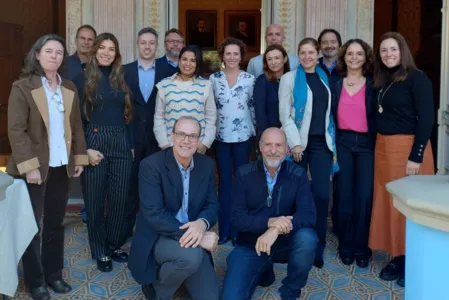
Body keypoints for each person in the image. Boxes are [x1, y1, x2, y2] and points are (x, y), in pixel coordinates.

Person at [7, 34, 88, 300]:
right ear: (37, 54)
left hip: (60, 166)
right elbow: (16, 130)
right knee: (32, 226)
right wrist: (29, 166)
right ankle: (35, 280)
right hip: (34, 168)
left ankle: (54, 275)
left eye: (59, 52)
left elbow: (76, 125)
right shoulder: (22, 86)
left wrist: (79, 157)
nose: (54, 56)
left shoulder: (69, 87)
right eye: (49, 51)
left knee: (55, 223)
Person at [369, 32, 435, 288]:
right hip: (384, 149)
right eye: (383, 50)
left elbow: (427, 119)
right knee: (390, 206)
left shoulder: (417, 78)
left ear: (402, 50)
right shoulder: (382, 80)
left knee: (410, 207)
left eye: (392, 49)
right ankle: (397, 256)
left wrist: (416, 155)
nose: (388, 54)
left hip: (408, 151)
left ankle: (412, 259)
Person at [128, 116, 220, 300]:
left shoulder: (206, 165)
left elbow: (212, 205)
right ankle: (159, 290)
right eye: (181, 134)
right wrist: (198, 238)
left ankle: (179, 275)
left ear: (198, 140)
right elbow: (154, 214)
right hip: (159, 235)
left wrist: (202, 224)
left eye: (193, 136)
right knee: (191, 257)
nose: (186, 141)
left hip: (191, 235)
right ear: (172, 136)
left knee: (210, 297)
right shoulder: (151, 166)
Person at [221, 127, 317, 300]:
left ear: (287, 148)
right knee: (230, 297)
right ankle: (264, 269)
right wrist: (270, 222)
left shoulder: (298, 174)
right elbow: (237, 217)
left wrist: (276, 230)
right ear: (260, 146)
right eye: (268, 145)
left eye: (279, 145)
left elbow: (309, 215)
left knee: (308, 238)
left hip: (285, 242)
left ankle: (291, 291)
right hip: (252, 244)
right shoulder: (244, 174)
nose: (273, 150)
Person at [72, 32, 134, 273]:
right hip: (93, 141)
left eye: (111, 49)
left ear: (116, 53)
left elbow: (129, 115)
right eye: (103, 48)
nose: (106, 52)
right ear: (95, 50)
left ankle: (113, 244)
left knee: (119, 199)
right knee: (96, 201)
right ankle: (99, 249)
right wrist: (84, 149)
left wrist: (129, 144)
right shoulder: (81, 79)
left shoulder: (122, 78)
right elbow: (74, 120)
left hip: (120, 141)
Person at [279, 37, 338, 269]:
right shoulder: (289, 79)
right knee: (294, 194)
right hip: (298, 145)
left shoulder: (325, 77)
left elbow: (327, 114)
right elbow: (285, 115)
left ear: (317, 54)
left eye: (311, 52)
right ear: (298, 55)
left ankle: (318, 245)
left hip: (321, 143)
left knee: (322, 194)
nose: (307, 57)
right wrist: (294, 144)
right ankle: (293, 243)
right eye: (302, 52)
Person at [122, 27, 178, 243]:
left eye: (151, 43)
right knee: (129, 187)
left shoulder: (168, 72)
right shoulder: (124, 71)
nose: (147, 47)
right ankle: (125, 233)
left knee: (159, 186)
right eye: (143, 42)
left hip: (159, 139)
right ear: (138, 45)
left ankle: (157, 232)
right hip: (132, 137)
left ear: (157, 46)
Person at [330, 39, 376, 268]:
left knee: (364, 196)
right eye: (350, 53)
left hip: (367, 145)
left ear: (366, 57)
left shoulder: (374, 84)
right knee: (344, 195)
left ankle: (361, 246)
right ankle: (346, 245)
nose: (354, 57)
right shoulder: (335, 83)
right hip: (344, 143)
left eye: (359, 53)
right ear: (344, 56)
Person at [210, 37, 256, 244]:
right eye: (228, 53)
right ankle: (224, 229)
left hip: (243, 137)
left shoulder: (249, 79)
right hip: (220, 138)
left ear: (241, 56)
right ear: (222, 55)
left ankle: (239, 230)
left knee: (241, 183)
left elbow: (253, 108)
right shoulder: (213, 79)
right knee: (225, 184)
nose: (231, 57)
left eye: (235, 53)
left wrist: (258, 135)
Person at [154, 45, 217, 154]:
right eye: (184, 59)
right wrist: (164, 144)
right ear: (178, 61)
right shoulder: (164, 85)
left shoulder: (206, 85)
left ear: (197, 64)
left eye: (193, 60)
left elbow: (211, 117)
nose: (188, 64)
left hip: (196, 147)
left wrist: (204, 144)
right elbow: (159, 117)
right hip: (171, 147)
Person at [254, 44, 290, 136]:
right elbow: (260, 112)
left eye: (277, 58)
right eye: (269, 59)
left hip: (290, 132)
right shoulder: (262, 80)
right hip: (269, 133)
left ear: (285, 59)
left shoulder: (292, 78)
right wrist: (267, 134)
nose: (273, 62)